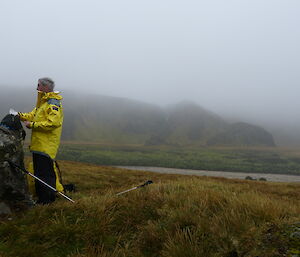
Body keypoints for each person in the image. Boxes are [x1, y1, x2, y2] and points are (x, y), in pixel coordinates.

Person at [18, 78, 64, 204]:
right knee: (39, 173)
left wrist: (32, 125)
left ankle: (47, 201)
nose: (36, 88)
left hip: (46, 146)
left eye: (38, 85)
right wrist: (19, 115)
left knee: (45, 174)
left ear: (45, 87)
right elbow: (31, 115)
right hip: (39, 145)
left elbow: (53, 123)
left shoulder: (52, 103)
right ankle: (42, 199)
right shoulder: (43, 103)